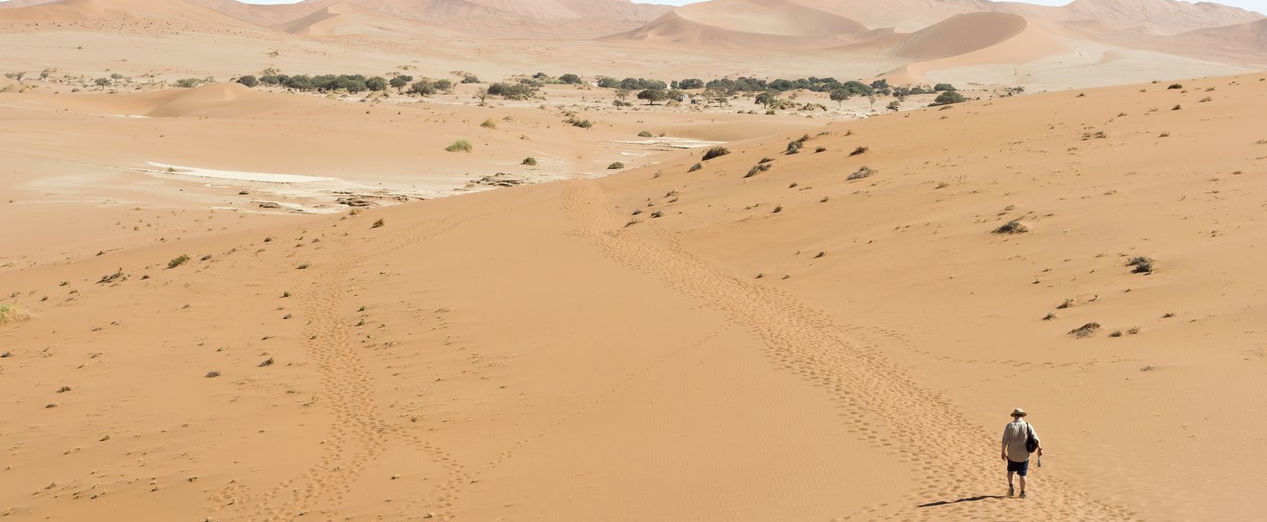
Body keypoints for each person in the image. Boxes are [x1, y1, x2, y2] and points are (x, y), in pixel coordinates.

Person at [1001, 407, 1042, 498]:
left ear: (1014, 416)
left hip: (1012, 454)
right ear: (1022, 416)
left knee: (1010, 471)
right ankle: (1023, 493)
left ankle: (1011, 488)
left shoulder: (1009, 426)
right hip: (1024, 456)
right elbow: (1036, 439)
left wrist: (1003, 452)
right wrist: (1040, 448)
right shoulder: (1027, 425)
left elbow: (1004, 441)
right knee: (1022, 475)